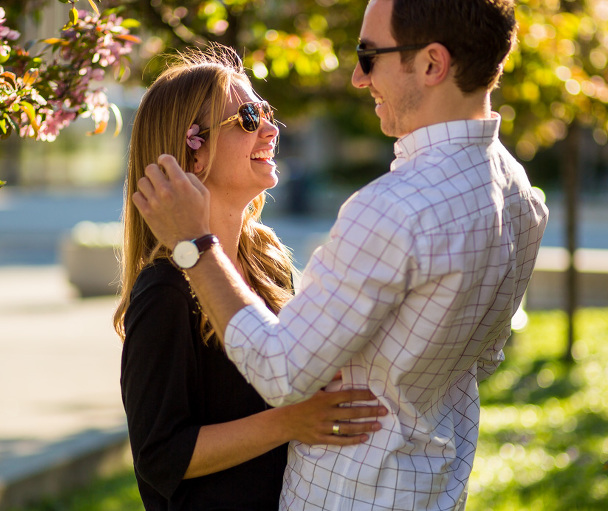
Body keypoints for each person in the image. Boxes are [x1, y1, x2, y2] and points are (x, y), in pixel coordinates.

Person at [131, 1, 550, 510]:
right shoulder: (520, 194)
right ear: (189, 149)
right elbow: (484, 356)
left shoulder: (381, 214)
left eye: (369, 55)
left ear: (432, 64)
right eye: (248, 116)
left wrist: (197, 247)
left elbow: (283, 371)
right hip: (433, 490)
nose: (357, 76)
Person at [114, 46, 387, 510]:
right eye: (246, 117)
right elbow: (159, 456)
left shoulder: (268, 258)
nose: (271, 129)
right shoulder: (164, 291)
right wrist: (289, 422)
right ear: (193, 155)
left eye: (265, 112)